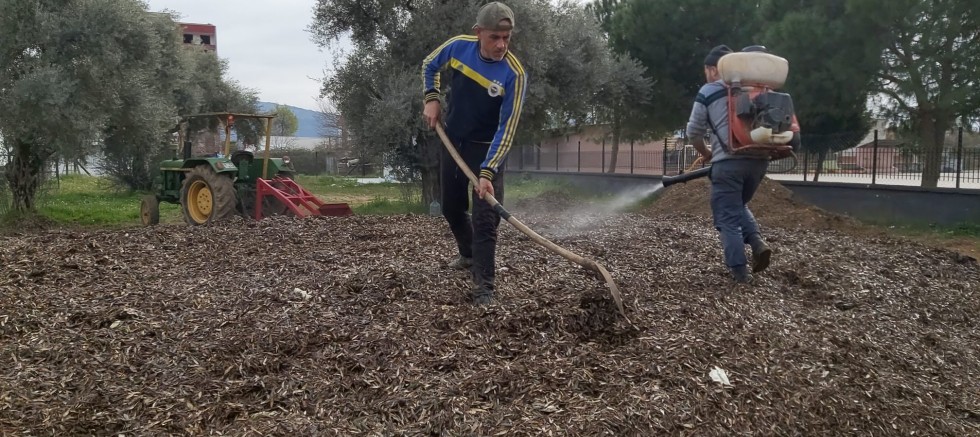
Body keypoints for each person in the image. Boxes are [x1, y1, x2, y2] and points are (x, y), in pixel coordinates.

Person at [421, 2, 528, 305]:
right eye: (495, 37)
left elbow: (507, 130)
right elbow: (429, 64)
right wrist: (432, 98)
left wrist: (487, 172)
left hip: (488, 152)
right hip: (453, 144)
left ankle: (484, 288)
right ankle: (467, 255)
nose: (501, 45)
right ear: (478, 33)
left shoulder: (514, 75)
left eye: (507, 38)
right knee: (451, 208)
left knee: (485, 221)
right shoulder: (458, 48)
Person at [686, 44, 798, 284]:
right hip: (759, 162)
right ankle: (757, 242)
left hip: (728, 164)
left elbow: (693, 132)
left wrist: (705, 151)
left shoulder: (709, 90)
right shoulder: (762, 91)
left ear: (712, 69)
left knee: (726, 217)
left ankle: (740, 272)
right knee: (737, 205)